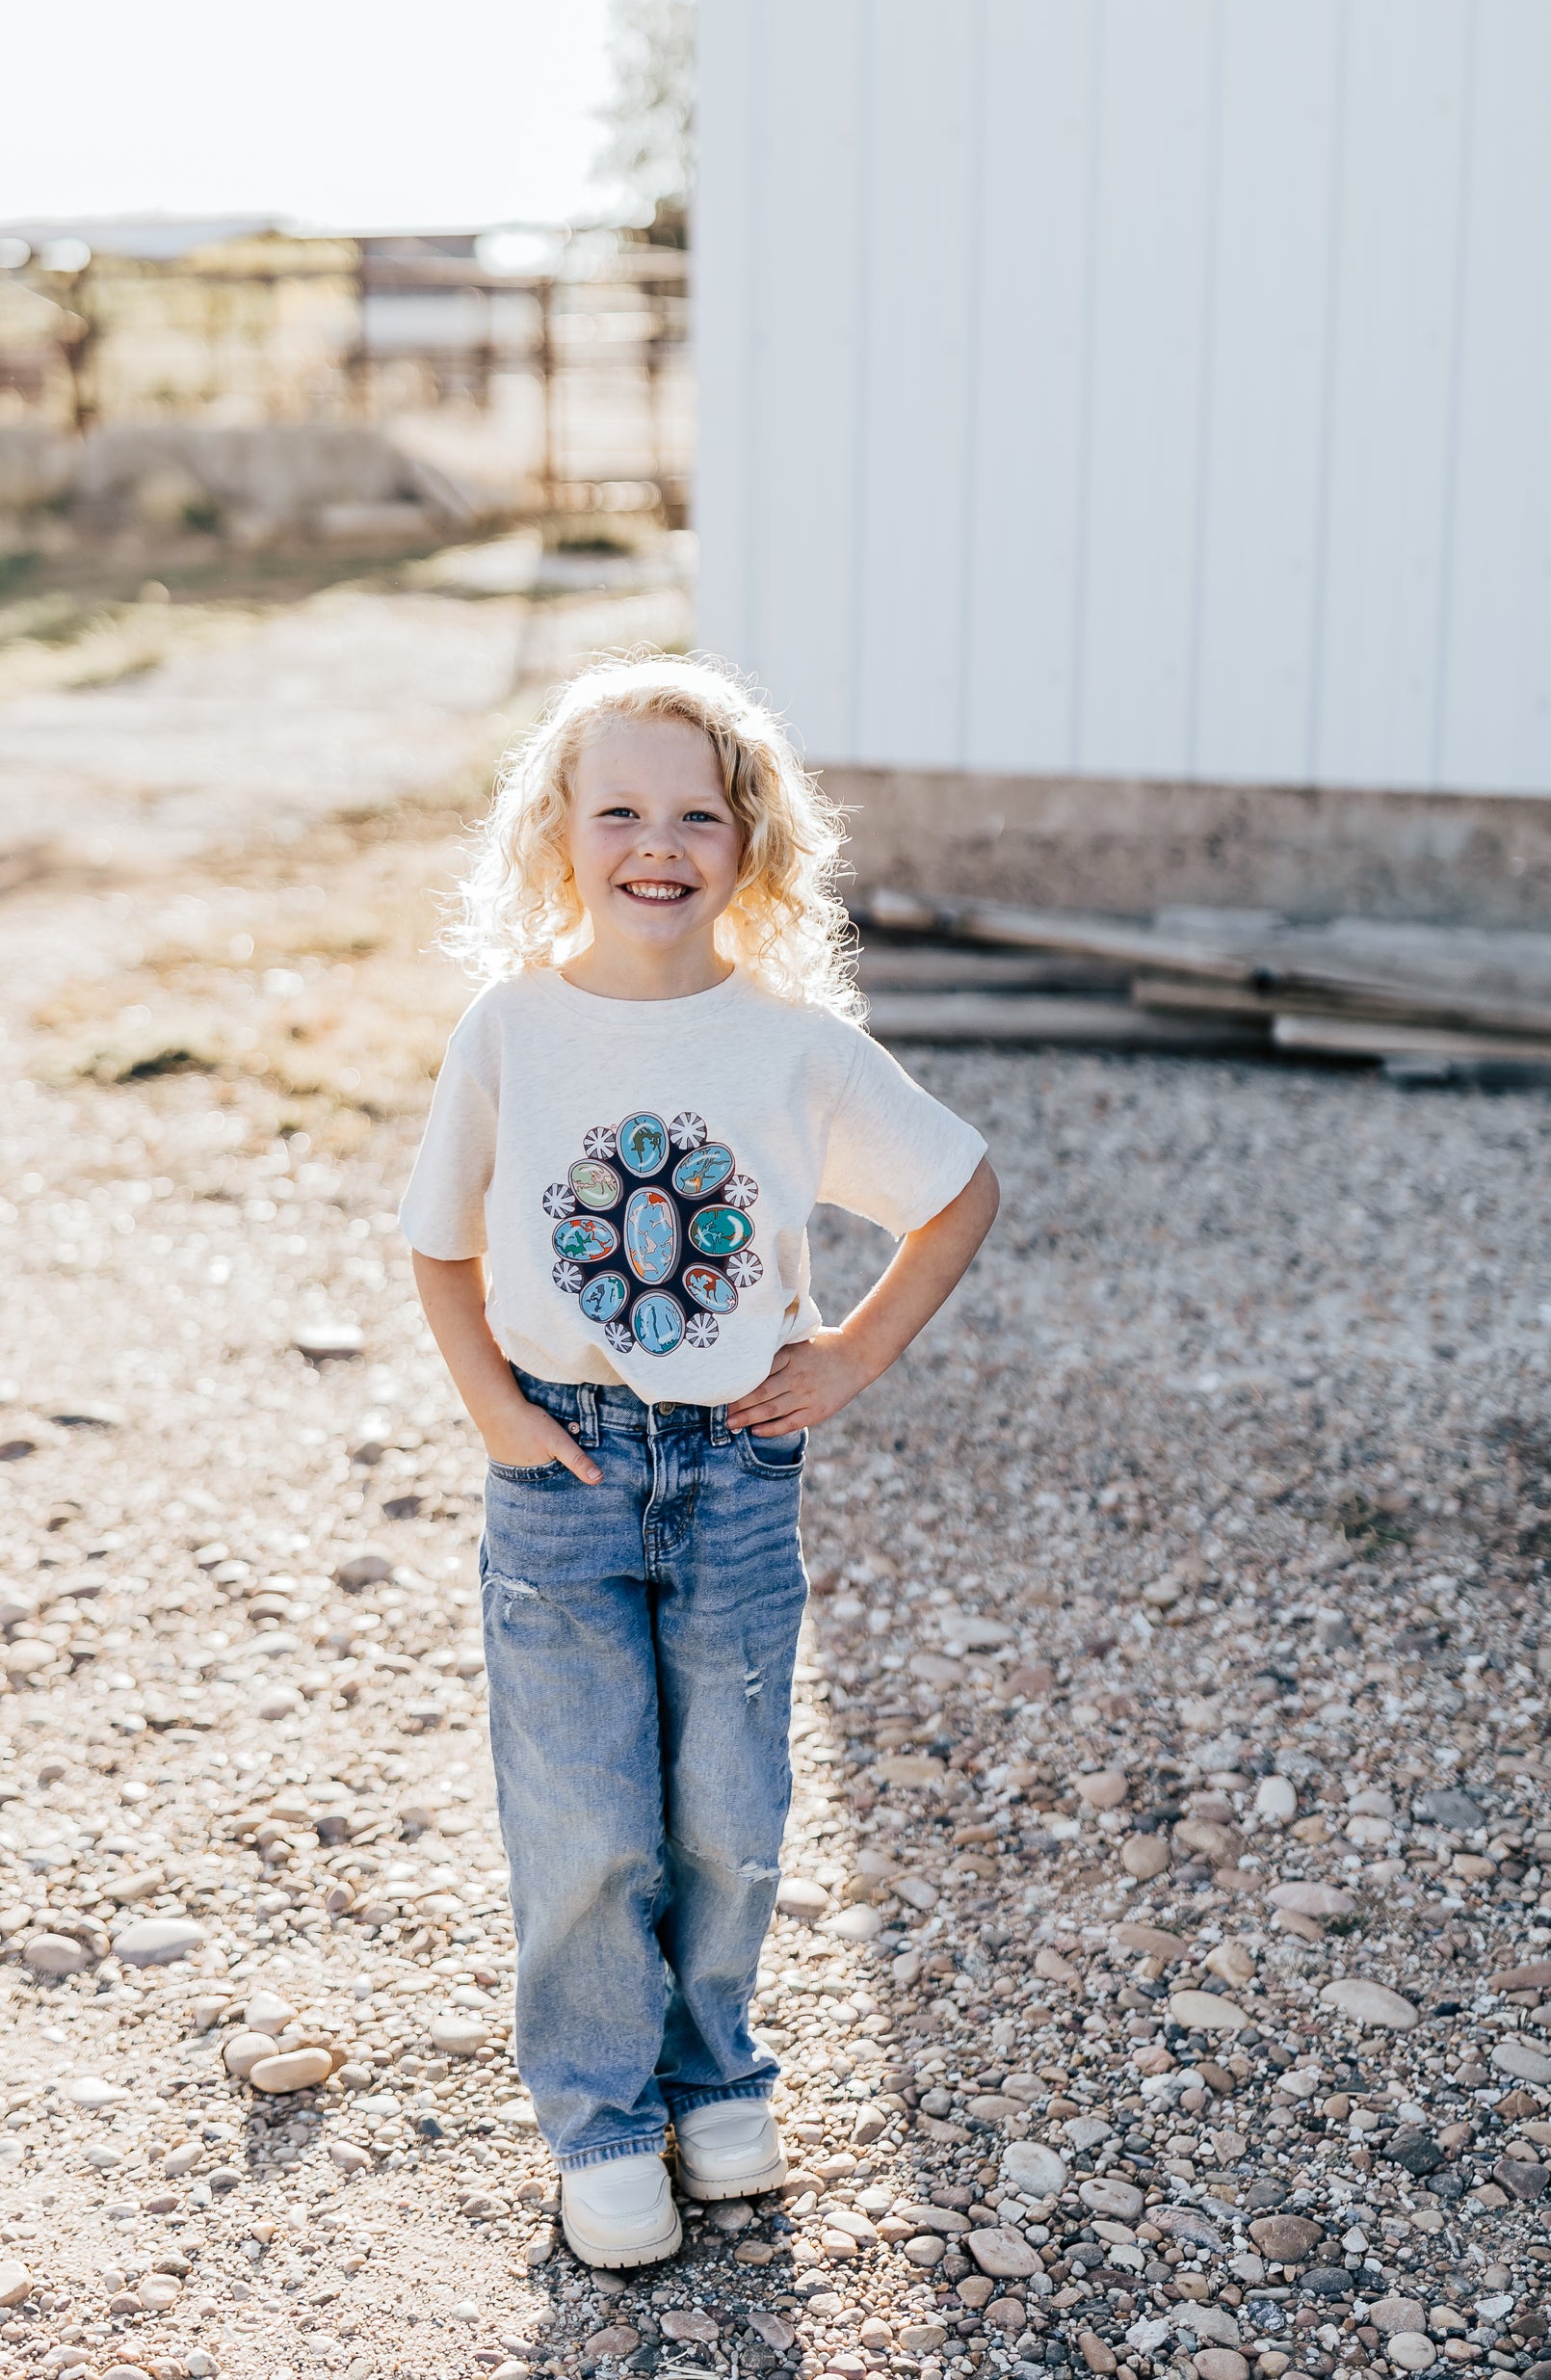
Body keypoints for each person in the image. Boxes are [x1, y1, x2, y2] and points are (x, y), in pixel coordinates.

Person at [402, 652, 999, 2268]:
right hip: (561, 1471)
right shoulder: (514, 1030)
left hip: (735, 1473)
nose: (656, 842)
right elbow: (439, 1244)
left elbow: (953, 1191)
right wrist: (492, 1411)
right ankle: (601, 2124)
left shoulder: (788, 1044)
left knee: (728, 1805)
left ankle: (712, 2071)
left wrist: (853, 1352)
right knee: (585, 1815)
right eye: (619, 810)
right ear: (558, 837)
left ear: (752, 845)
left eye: (696, 813)